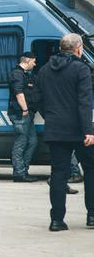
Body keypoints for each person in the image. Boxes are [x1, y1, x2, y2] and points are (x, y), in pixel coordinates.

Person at [33, 33, 94, 232]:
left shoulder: (44, 70)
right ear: (79, 49)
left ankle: (57, 220)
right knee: (91, 170)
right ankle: (92, 215)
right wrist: (88, 130)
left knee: (58, 174)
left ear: (60, 48)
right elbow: (84, 102)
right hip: (79, 130)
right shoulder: (81, 68)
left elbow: (37, 99)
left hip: (55, 129)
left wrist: (50, 115)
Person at [7, 51, 39, 182]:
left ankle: (23, 171)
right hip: (20, 113)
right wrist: (25, 109)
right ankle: (19, 174)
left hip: (27, 113)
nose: (35, 64)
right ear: (27, 61)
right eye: (34, 61)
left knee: (32, 142)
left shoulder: (27, 75)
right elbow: (18, 93)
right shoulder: (17, 74)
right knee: (21, 143)